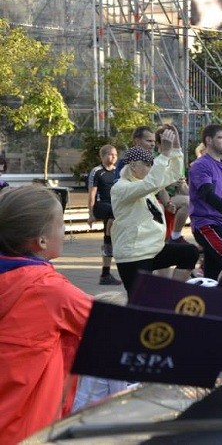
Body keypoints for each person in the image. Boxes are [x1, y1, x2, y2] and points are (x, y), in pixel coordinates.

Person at [0, 185, 93, 443]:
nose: (64, 231)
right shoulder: (48, 290)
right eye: (61, 225)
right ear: (41, 241)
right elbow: (113, 326)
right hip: (28, 430)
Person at [112, 129, 200, 295]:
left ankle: (172, 296)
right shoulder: (122, 188)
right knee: (140, 304)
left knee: (189, 253)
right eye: (147, 165)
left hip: (152, 250)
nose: (151, 168)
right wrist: (164, 153)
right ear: (133, 166)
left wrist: (175, 149)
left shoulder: (144, 184)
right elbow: (152, 182)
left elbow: (172, 174)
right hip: (134, 255)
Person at [188, 124, 222, 280]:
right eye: (220, 137)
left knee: (213, 271)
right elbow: (207, 194)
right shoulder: (200, 165)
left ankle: (210, 296)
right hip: (206, 224)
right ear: (209, 140)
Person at [72, 291, 131, 412]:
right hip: (94, 415)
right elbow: (120, 397)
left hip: (73, 410)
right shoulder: (113, 355)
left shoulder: (83, 343)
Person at [87, 144, 121, 285]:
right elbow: (92, 193)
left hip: (114, 208)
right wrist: (90, 214)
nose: (113, 157)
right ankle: (110, 231)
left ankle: (105, 274)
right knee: (115, 211)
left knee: (108, 241)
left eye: (115, 155)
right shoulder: (97, 172)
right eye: (110, 154)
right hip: (101, 206)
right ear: (102, 156)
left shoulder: (117, 172)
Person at [154, 125, 191, 244]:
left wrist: (200, 198)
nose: (174, 146)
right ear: (160, 144)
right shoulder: (155, 158)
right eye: (171, 143)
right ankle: (169, 238)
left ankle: (176, 236)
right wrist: (170, 181)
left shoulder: (176, 158)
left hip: (172, 196)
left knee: (192, 201)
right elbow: (158, 187)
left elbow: (182, 185)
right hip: (156, 197)